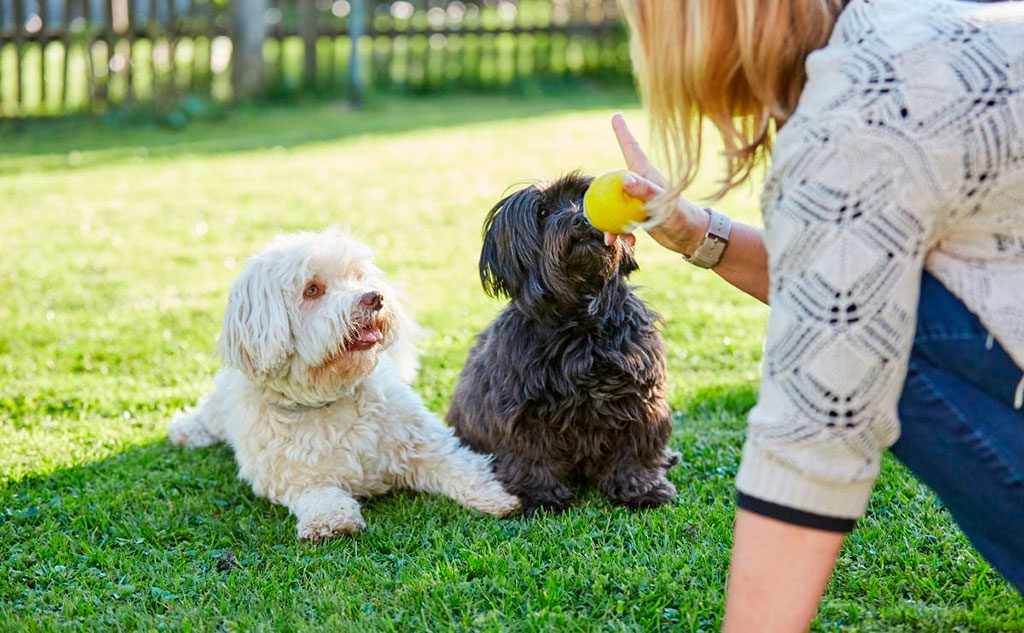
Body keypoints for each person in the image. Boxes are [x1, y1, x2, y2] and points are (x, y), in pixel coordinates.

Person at [607, 0, 1024, 630]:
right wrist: (698, 232)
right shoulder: (907, 27)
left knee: (885, 341)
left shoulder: (859, 107)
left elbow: (814, 428)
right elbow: (852, 272)